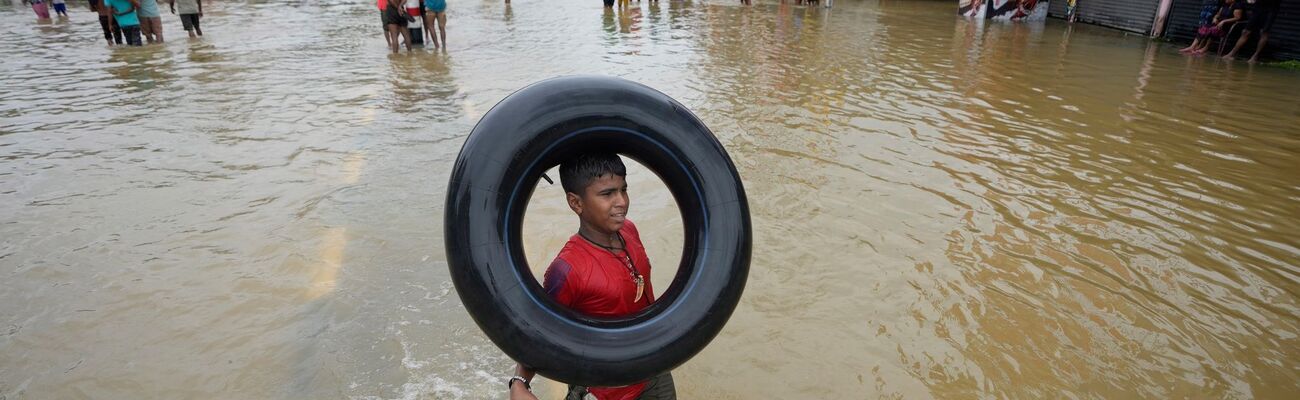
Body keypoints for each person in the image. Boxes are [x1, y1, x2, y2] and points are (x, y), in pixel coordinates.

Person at [508, 153, 677, 400]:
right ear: (576, 203)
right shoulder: (567, 269)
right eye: (607, 194)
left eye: (624, 189)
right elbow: (540, 330)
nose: (621, 202)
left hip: (652, 374)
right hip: (601, 389)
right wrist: (520, 382)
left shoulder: (628, 230)